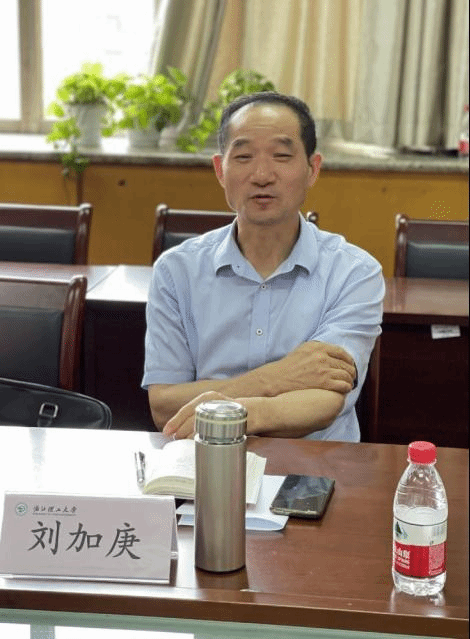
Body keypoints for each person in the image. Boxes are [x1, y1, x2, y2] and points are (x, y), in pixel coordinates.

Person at [142, 92, 384, 442]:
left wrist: (227, 409)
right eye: (243, 156)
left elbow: (324, 401)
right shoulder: (176, 271)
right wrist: (277, 377)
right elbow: (165, 407)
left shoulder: (354, 272)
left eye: (282, 156)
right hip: (208, 459)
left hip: (316, 466)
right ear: (220, 170)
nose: (261, 175)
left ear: (313, 169)